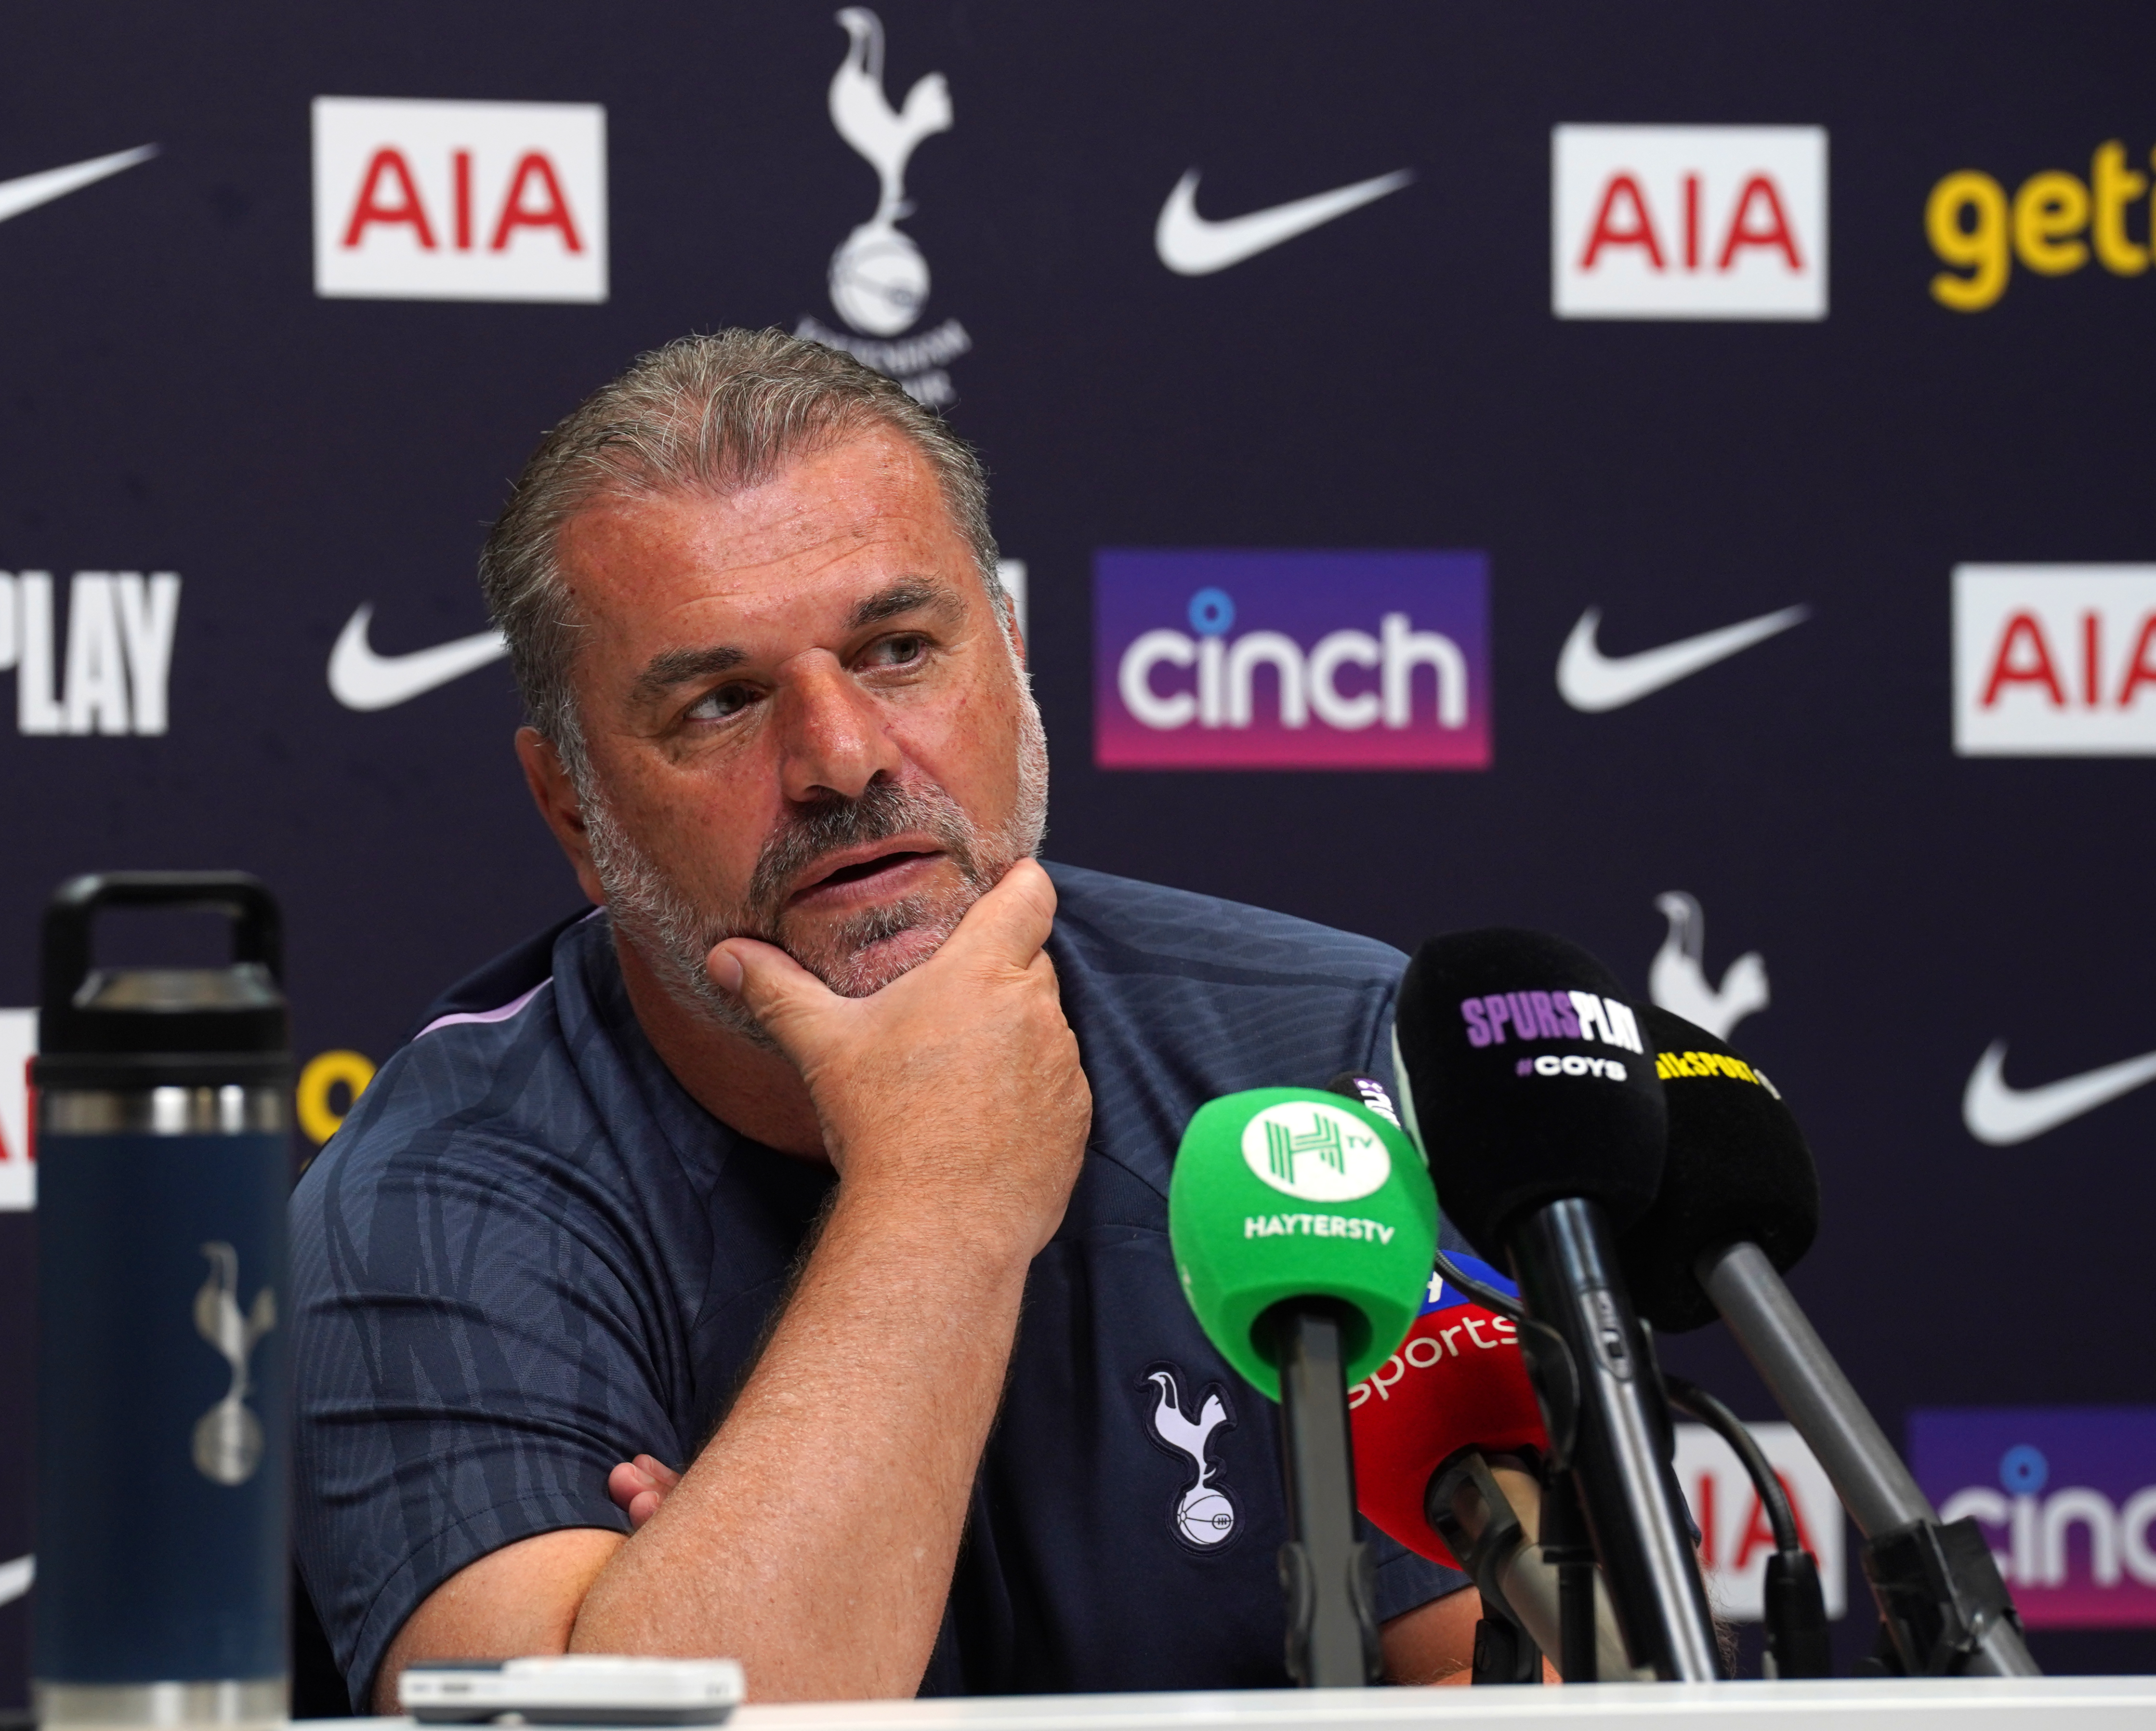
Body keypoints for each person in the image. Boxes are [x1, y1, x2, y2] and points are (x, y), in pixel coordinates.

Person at [287, 329, 1485, 1711]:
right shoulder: (430, 1205)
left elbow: (1532, 1677)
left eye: (899, 649)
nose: (841, 757)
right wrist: (937, 1189)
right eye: (722, 701)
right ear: (572, 806)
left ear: (1015, 661)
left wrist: (733, 1587)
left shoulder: (1330, 1057)